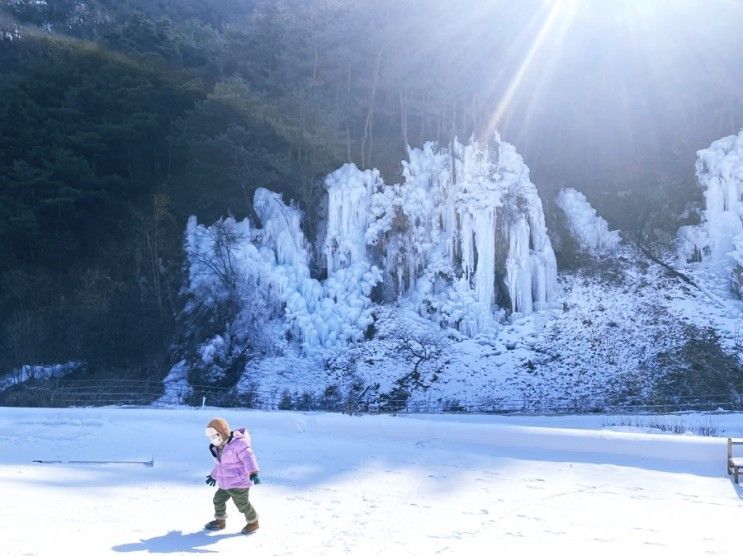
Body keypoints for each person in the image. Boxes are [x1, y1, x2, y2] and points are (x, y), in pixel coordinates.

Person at [203, 417, 261, 534]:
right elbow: (220, 465)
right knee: (218, 500)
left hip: (239, 483)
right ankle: (220, 521)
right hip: (225, 483)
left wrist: (253, 472)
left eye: (215, 436)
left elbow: (248, 457)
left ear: (222, 433)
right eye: (211, 437)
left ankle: (253, 522)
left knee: (242, 505)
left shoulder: (239, 443)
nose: (213, 439)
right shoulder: (219, 447)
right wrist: (213, 476)